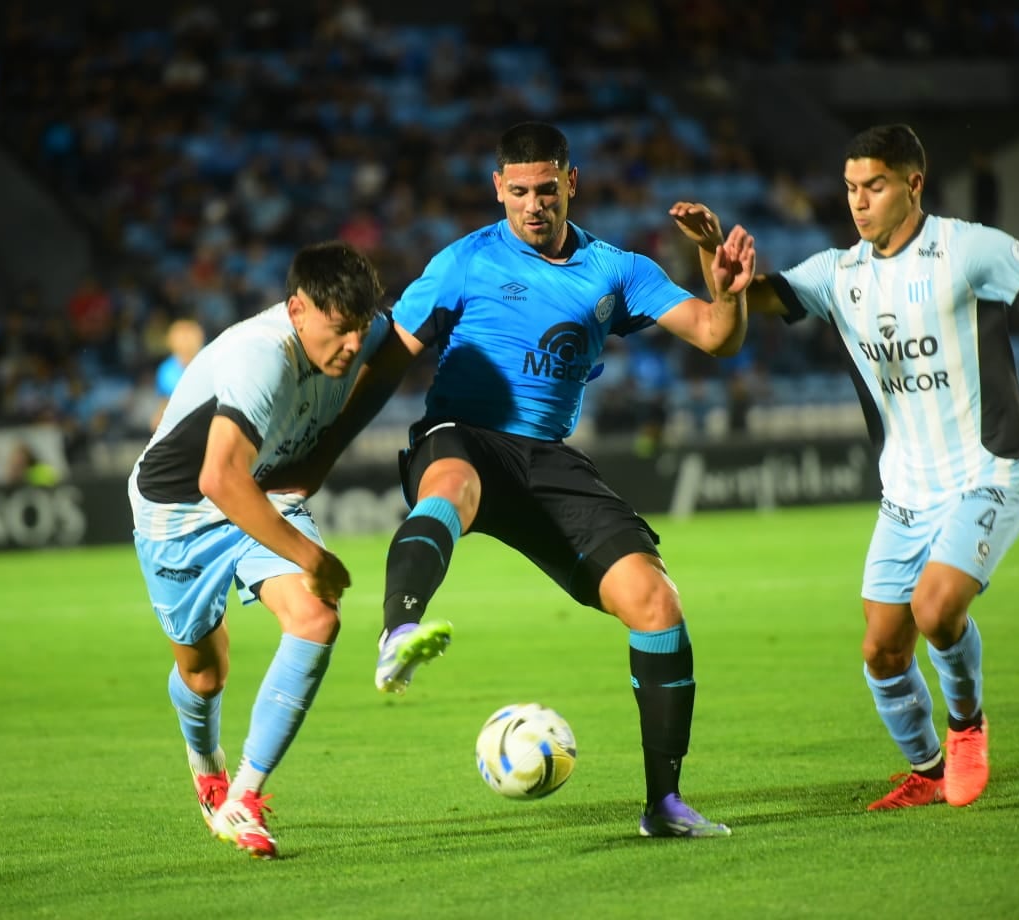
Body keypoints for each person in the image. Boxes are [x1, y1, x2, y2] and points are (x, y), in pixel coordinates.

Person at [673, 124, 1019, 811]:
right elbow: (742, 311)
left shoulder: (969, 250)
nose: (858, 202)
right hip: (905, 494)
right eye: (851, 188)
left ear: (913, 184)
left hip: (989, 471)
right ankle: (929, 768)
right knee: (882, 652)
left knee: (935, 609)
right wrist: (719, 268)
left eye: (874, 186)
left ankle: (968, 726)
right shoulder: (838, 274)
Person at [351, 121, 757, 838]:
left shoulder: (617, 269)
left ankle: (664, 805)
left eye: (546, 190)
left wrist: (717, 275)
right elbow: (387, 361)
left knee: (655, 602)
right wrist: (318, 450)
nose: (533, 205)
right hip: (464, 436)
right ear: (497, 191)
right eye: (518, 193)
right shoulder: (463, 261)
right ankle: (398, 630)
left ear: (570, 183)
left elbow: (717, 335)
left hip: (546, 458)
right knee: (451, 488)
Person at [127, 240, 392, 859]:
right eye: (340, 330)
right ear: (298, 311)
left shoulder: (362, 337)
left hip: (265, 491)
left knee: (316, 617)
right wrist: (312, 557)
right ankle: (207, 763)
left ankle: (243, 797)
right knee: (204, 670)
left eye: (361, 329)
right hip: (178, 514)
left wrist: (325, 455)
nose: (353, 346)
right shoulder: (260, 356)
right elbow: (217, 479)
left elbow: (398, 355)